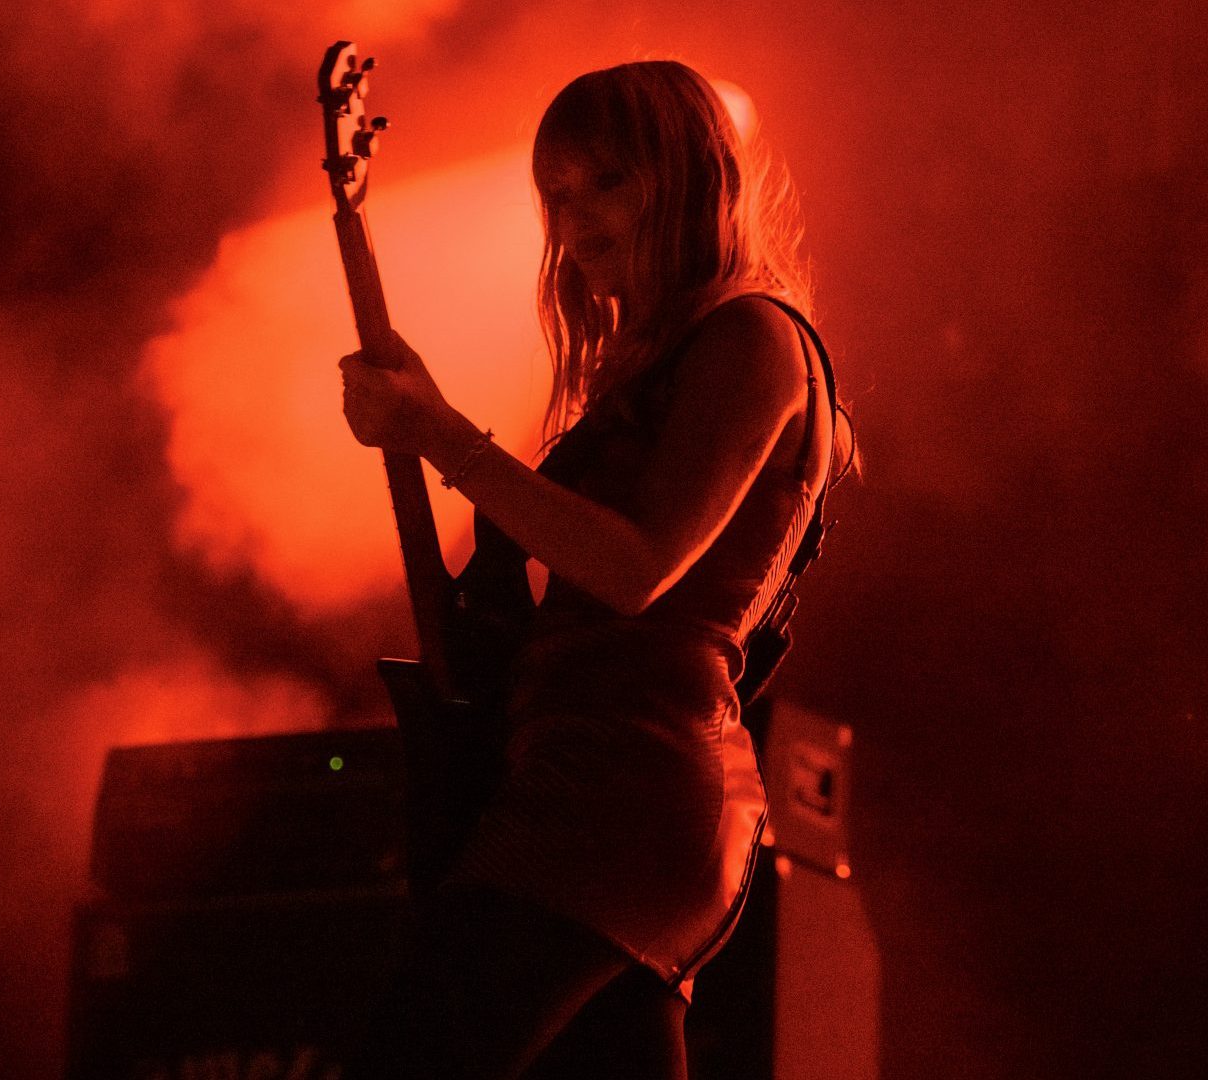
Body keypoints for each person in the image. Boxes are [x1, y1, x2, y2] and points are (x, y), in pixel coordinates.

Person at [337, 58, 854, 1080]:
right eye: (556, 194)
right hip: (596, 794)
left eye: (607, 182)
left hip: (622, 799)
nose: (574, 220)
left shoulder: (754, 338)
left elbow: (637, 569)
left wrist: (443, 438)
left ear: (692, 176)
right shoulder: (657, 364)